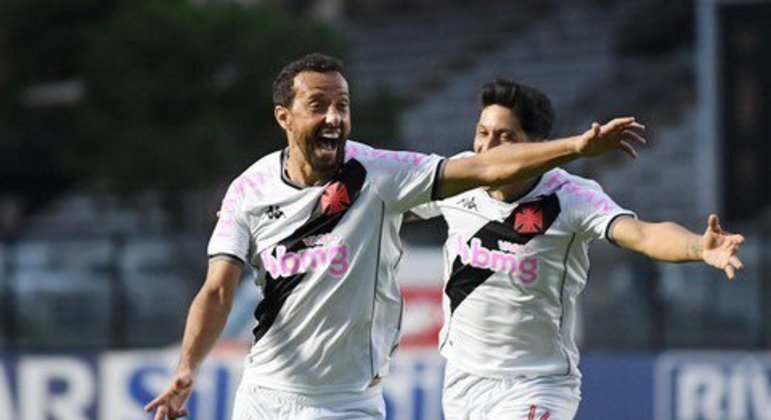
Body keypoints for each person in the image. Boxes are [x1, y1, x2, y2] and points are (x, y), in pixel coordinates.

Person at [144, 54, 646, 420]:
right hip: (261, 394)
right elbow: (216, 290)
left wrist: (576, 147)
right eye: (318, 106)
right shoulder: (249, 190)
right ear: (285, 117)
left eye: (342, 105)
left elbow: (484, 167)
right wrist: (188, 368)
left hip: (346, 403)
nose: (334, 118)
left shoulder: (380, 174)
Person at [408, 79, 744, 420]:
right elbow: (390, 206)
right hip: (462, 380)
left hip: (536, 383)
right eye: (483, 133)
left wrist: (696, 246)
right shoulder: (458, 178)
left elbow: (641, 234)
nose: (488, 147)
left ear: (536, 145)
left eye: (505, 137)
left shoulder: (571, 197)